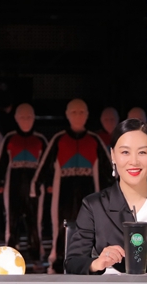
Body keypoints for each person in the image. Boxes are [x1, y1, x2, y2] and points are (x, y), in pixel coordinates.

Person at [67, 118, 147, 274]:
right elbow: (73, 262)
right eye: (125, 152)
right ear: (113, 155)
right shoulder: (94, 205)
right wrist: (96, 263)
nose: (134, 161)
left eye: (142, 152)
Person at [30, 99, 113, 273]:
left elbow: (109, 168)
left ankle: (90, 263)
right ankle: (57, 262)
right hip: (63, 192)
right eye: (74, 112)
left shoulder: (94, 140)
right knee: (61, 227)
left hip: (89, 190)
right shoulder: (59, 139)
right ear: (67, 115)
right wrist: (36, 185)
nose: (78, 116)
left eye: (82, 112)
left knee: (91, 227)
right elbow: (45, 164)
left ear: (87, 115)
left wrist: (114, 191)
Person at [0, 103, 48, 259]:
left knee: (35, 220)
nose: (26, 120)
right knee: (12, 220)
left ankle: (36, 254)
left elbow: (48, 164)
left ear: (34, 118)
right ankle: (10, 254)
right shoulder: (10, 138)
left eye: (29, 117)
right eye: (22, 117)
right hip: (13, 184)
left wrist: (48, 183)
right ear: (16, 118)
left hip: (34, 184)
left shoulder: (40, 139)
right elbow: (1, 161)